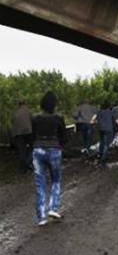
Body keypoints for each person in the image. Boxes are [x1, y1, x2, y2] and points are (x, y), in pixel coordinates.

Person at [31, 91, 67, 226]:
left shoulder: (35, 118)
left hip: (38, 149)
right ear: (54, 104)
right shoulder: (58, 118)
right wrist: (60, 145)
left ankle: (41, 217)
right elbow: (64, 137)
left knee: (39, 183)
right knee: (56, 180)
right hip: (54, 149)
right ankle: (53, 208)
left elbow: (32, 136)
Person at [11, 100, 34, 171]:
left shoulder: (15, 112)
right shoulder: (28, 111)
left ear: (18, 104)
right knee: (34, 147)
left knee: (22, 150)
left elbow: (12, 122)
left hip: (17, 134)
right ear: (25, 103)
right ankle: (28, 162)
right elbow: (33, 121)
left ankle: (23, 168)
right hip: (28, 132)